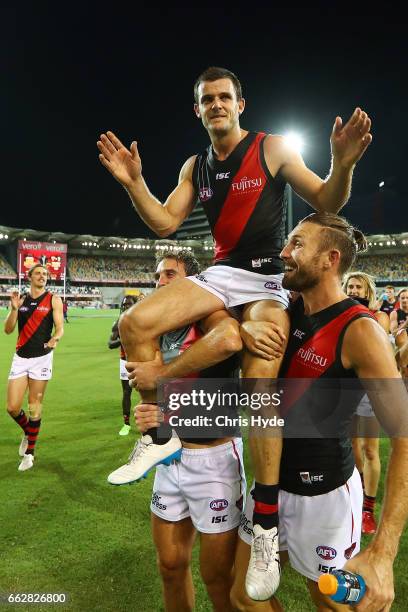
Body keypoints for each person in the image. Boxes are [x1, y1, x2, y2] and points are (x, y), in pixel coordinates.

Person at [97, 66, 372, 600]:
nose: (217, 105)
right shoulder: (195, 165)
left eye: (225, 97)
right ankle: (159, 437)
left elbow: (327, 201)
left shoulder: (270, 149)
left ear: (241, 104)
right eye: (207, 99)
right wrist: (134, 182)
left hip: (269, 277)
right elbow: (163, 224)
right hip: (222, 274)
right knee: (135, 322)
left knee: (260, 384)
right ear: (197, 110)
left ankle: (265, 520)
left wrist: (342, 164)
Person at [231, 212, 408, 612]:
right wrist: (244, 329)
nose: (284, 252)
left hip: (324, 496)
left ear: (330, 259)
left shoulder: (361, 331)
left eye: (296, 244)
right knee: (244, 597)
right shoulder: (284, 307)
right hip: (269, 488)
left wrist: (383, 552)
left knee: (331, 605)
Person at [109, 250, 244, 611]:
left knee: (217, 577)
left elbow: (230, 339)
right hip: (171, 458)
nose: (161, 283)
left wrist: (162, 375)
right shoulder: (154, 329)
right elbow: (152, 394)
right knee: (169, 566)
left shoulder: (212, 314)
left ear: (193, 283)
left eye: (170, 275)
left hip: (214, 459)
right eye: (157, 276)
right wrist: (149, 414)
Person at [343, 271, 390, 536]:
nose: (353, 290)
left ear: (368, 291)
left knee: (370, 448)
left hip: (369, 391)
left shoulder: (378, 317)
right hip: (345, 391)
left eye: (358, 286)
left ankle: (368, 510)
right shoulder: (339, 314)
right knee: (350, 447)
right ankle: (357, 493)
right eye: (349, 285)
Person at [4, 264, 64, 471]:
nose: (42, 276)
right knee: (12, 407)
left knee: (34, 406)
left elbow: (60, 327)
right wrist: (13, 310)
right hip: (21, 357)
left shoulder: (53, 299)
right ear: (29, 277)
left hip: (42, 358)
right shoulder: (20, 299)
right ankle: (28, 432)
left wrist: (55, 338)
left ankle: (30, 453)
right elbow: (8, 329)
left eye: (45, 274)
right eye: (38, 273)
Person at [108, 295, 139, 435]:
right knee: (127, 392)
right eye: (125, 305)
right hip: (125, 361)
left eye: (129, 304)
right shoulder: (118, 323)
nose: (127, 307)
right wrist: (124, 340)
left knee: (148, 392)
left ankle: (151, 424)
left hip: (141, 360)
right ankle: (126, 424)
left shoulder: (142, 321)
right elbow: (110, 344)